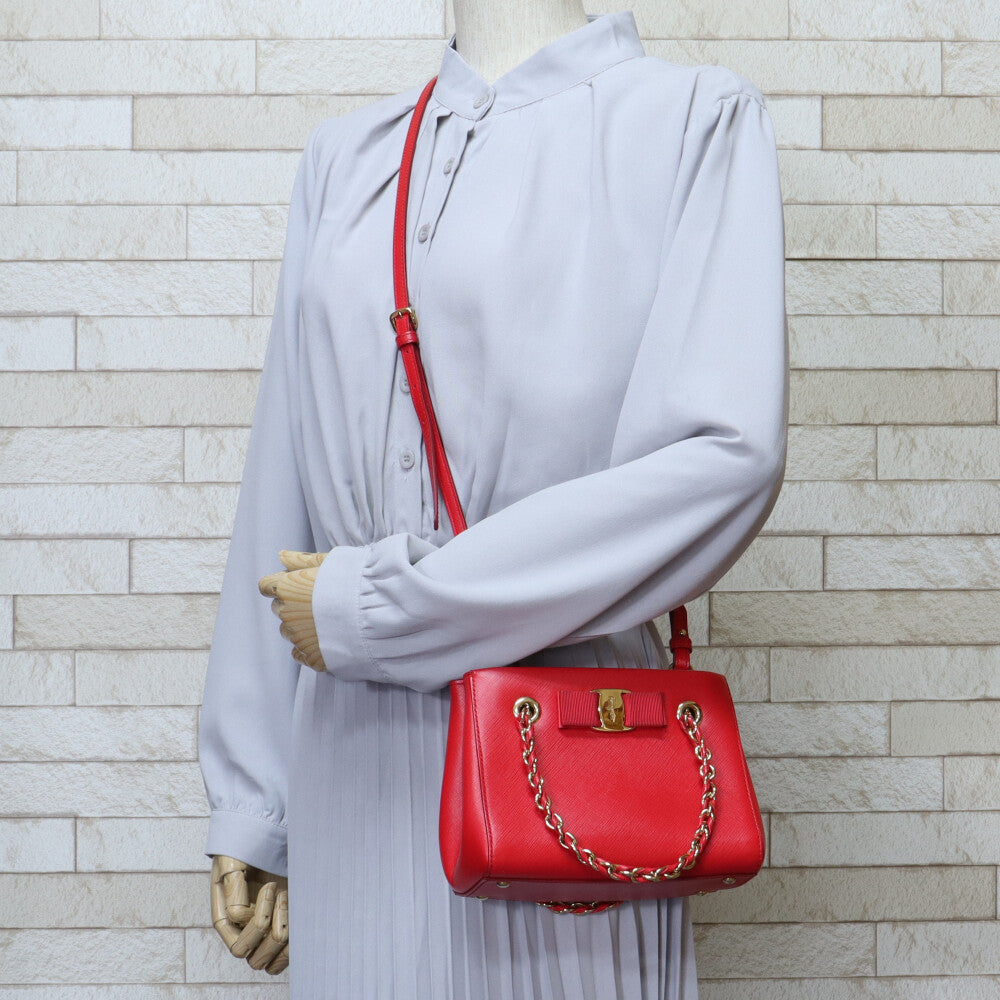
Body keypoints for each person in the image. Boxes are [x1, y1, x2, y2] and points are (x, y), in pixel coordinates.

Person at [198, 7, 788, 998]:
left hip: (570, 748)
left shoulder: (691, 119)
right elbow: (285, 468)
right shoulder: (347, 158)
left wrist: (382, 608)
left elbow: (724, 456)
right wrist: (255, 802)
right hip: (353, 756)